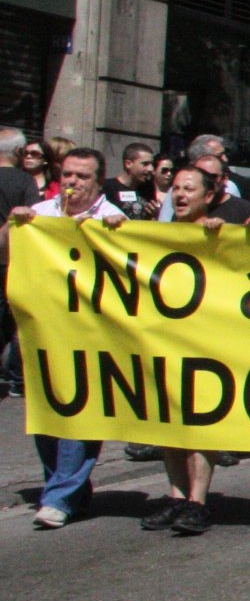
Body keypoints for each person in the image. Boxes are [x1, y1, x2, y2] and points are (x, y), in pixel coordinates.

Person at [6, 146, 127, 527]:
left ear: (97, 180)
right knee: (46, 412)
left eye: (83, 177)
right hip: (41, 332)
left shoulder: (113, 218)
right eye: (69, 175)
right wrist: (13, 225)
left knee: (80, 413)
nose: (73, 183)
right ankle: (67, 489)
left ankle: (59, 497)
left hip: (89, 335)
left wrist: (119, 240)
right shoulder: (39, 215)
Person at [145, 164, 239, 535]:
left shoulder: (220, 233)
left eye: (189, 189)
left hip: (206, 342)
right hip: (165, 339)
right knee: (168, 422)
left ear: (209, 197)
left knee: (201, 422)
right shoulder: (155, 236)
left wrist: (231, 234)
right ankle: (176, 495)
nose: (180, 195)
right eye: (176, 189)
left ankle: (198, 500)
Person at [0, 126, 38, 398]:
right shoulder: (25, 182)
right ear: (17, 152)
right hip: (14, 261)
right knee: (14, 321)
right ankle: (16, 377)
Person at [111, 142, 157, 218]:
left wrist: (155, 214)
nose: (151, 169)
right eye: (145, 164)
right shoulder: (108, 188)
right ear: (128, 164)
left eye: (152, 164)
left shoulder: (148, 189)